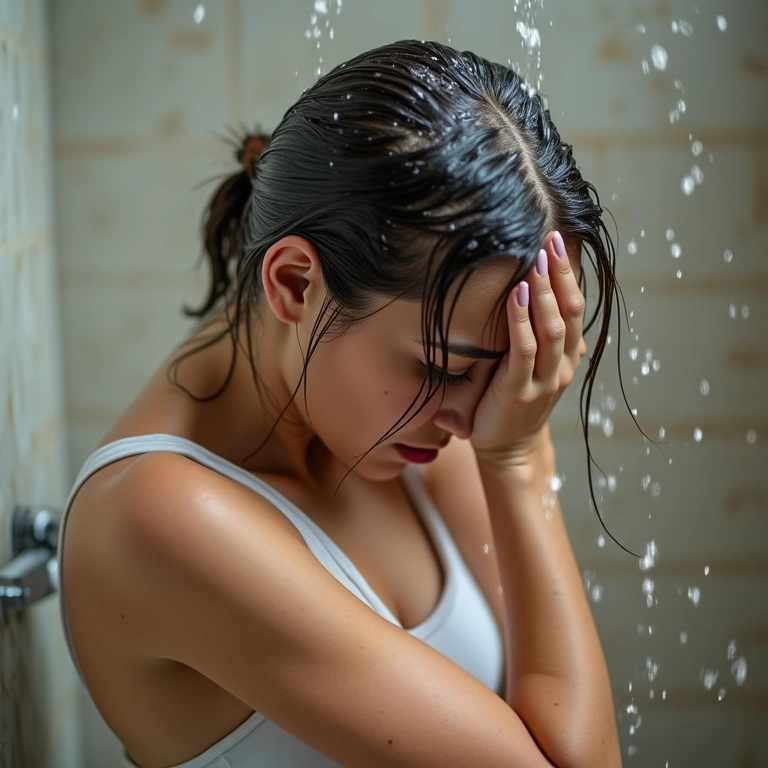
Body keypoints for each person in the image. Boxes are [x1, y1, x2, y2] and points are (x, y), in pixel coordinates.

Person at [58, 40, 624, 768]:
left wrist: (495, 427)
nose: (486, 411)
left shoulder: (404, 415)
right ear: (295, 283)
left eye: (514, 365)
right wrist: (517, 458)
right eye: (448, 367)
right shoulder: (158, 521)